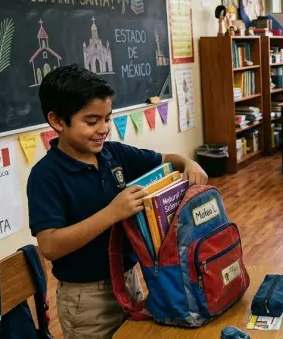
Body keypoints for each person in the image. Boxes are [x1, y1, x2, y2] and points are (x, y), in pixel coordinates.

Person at [27, 65, 208, 338]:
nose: (103, 129)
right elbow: (50, 246)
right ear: (58, 121)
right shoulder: (45, 176)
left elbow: (167, 159)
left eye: (107, 118)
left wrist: (189, 162)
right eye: (91, 121)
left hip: (129, 280)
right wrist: (112, 213)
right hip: (85, 299)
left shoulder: (114, 155)